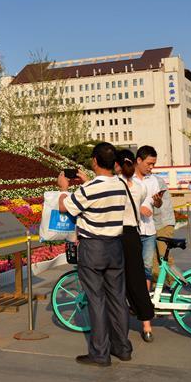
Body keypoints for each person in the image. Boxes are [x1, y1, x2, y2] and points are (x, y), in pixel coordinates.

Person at [58, 142, 132, 366]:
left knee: (96, 300)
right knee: (117, 298)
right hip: (115, 247)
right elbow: (101, 193)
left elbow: (65, 207)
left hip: (93, 248)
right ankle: (122, 348)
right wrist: (87, 182)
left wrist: (63, 188)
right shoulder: (121, 184)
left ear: (94, 161)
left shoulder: (89, 189)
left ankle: (100, 353)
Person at [114, 149, 155, 343]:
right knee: (137, 280)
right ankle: (147, 326)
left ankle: (117, 324)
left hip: (115, 235)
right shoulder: (140, 187)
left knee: (115, 280)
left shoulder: (114, 185)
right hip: (133, 236)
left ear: (117, 165)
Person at [134, 146, 165, 288]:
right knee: (132, 267)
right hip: (133, 231)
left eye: (153, 164)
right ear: (139, 160)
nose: (151, 167)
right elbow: (121, 202)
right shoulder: (127, 179)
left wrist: (158, 201)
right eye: (149, 163)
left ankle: (145, 297)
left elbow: (157, 204)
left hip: (149, 231)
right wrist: (139, 209)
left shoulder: (153, 180)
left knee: (147, 267)